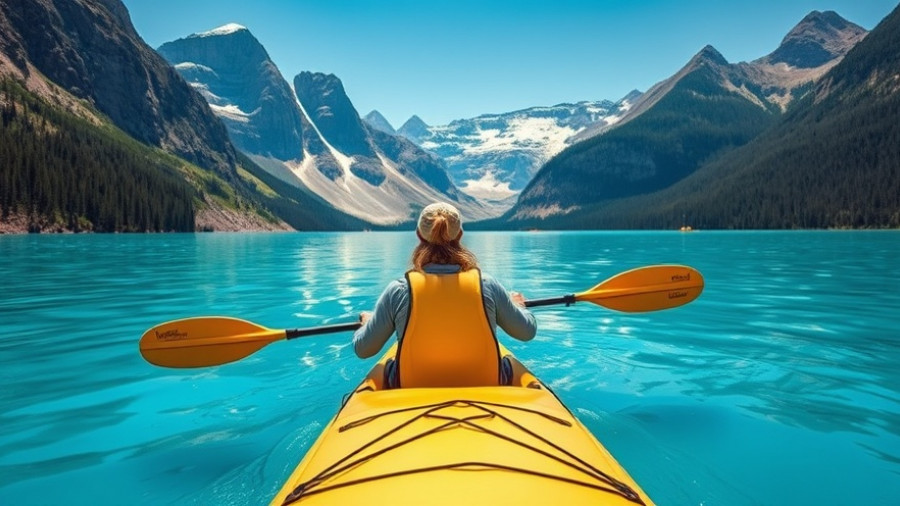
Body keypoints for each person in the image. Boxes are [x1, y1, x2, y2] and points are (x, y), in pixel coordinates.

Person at [353, 202, 536, 388]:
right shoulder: (487, 285)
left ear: (418, 235)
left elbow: (364, 349)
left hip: (413, 391)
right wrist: (516, 305)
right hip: (484, 385)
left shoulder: (399, 290)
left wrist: (369, 323)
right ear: (460, 235)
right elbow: (526, 332)